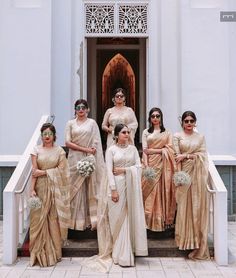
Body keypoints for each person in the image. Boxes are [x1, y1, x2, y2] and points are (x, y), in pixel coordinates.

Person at [106, 123, 148, 266]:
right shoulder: (111, 150)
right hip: (116, 187)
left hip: (131, 187)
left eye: (128, 132)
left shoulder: (133, 149)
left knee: (128, 218)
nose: (127, 135)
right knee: (117, 219)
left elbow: (139, 167)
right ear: (116, 135)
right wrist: (113, 190)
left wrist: (124, 170)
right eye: (124, 132)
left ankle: (127, 252)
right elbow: (108, 171)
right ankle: (118, 252)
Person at [29, 123, 71, 267]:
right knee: (38, 220)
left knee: (52, 219)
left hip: (54, 189)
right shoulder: (36, 150)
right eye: (44, 134)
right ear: (41, 136)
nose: (47, 136)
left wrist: (45, 172)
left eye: (49, 134)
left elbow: (63, 171)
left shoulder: (59, 151)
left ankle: (54, 253)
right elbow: (34, 172)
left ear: (54, 136)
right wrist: (32, 190)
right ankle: (38, 253)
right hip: (40, 188)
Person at [173, 111, 210, 260]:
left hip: (197, 177)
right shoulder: (177, 136)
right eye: (186, 121)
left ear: (195, 122)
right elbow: (176, 156)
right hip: (184, 175)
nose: (189, 123)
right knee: (183, 208)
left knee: (196, 208)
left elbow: (203, 155)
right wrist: (179, 176)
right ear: (182, 122)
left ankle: (196, 242)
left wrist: (186, 155)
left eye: (191, 121)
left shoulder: (200, 137)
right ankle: (184, 241)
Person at [65, 99, 105, 231]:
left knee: (89, 187)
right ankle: (74, 222)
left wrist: (90, 152)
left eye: (83, 107)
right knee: (75, 189)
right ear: (75, 110)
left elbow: (96, 142)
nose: (80, 110)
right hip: (74, 159)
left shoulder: (92, 123)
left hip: (89, 159)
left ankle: (89, 220)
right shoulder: (70, 123)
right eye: (78, 107)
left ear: (87, 109)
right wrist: (85, 150)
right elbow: (67, 142)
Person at [142, 108, 176, 231]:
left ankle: (160, 221)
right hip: (149, 164)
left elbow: (170, 150)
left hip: (163, 164)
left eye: (157, 116)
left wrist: (155, 150)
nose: (155, 118)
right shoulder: (146, 132)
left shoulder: (167, 132)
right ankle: (147, 222)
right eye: (153, 116)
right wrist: (146, 167)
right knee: (149, 193)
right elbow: (145, 151)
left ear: (161, 117)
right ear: (150, 118)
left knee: (160, 192)